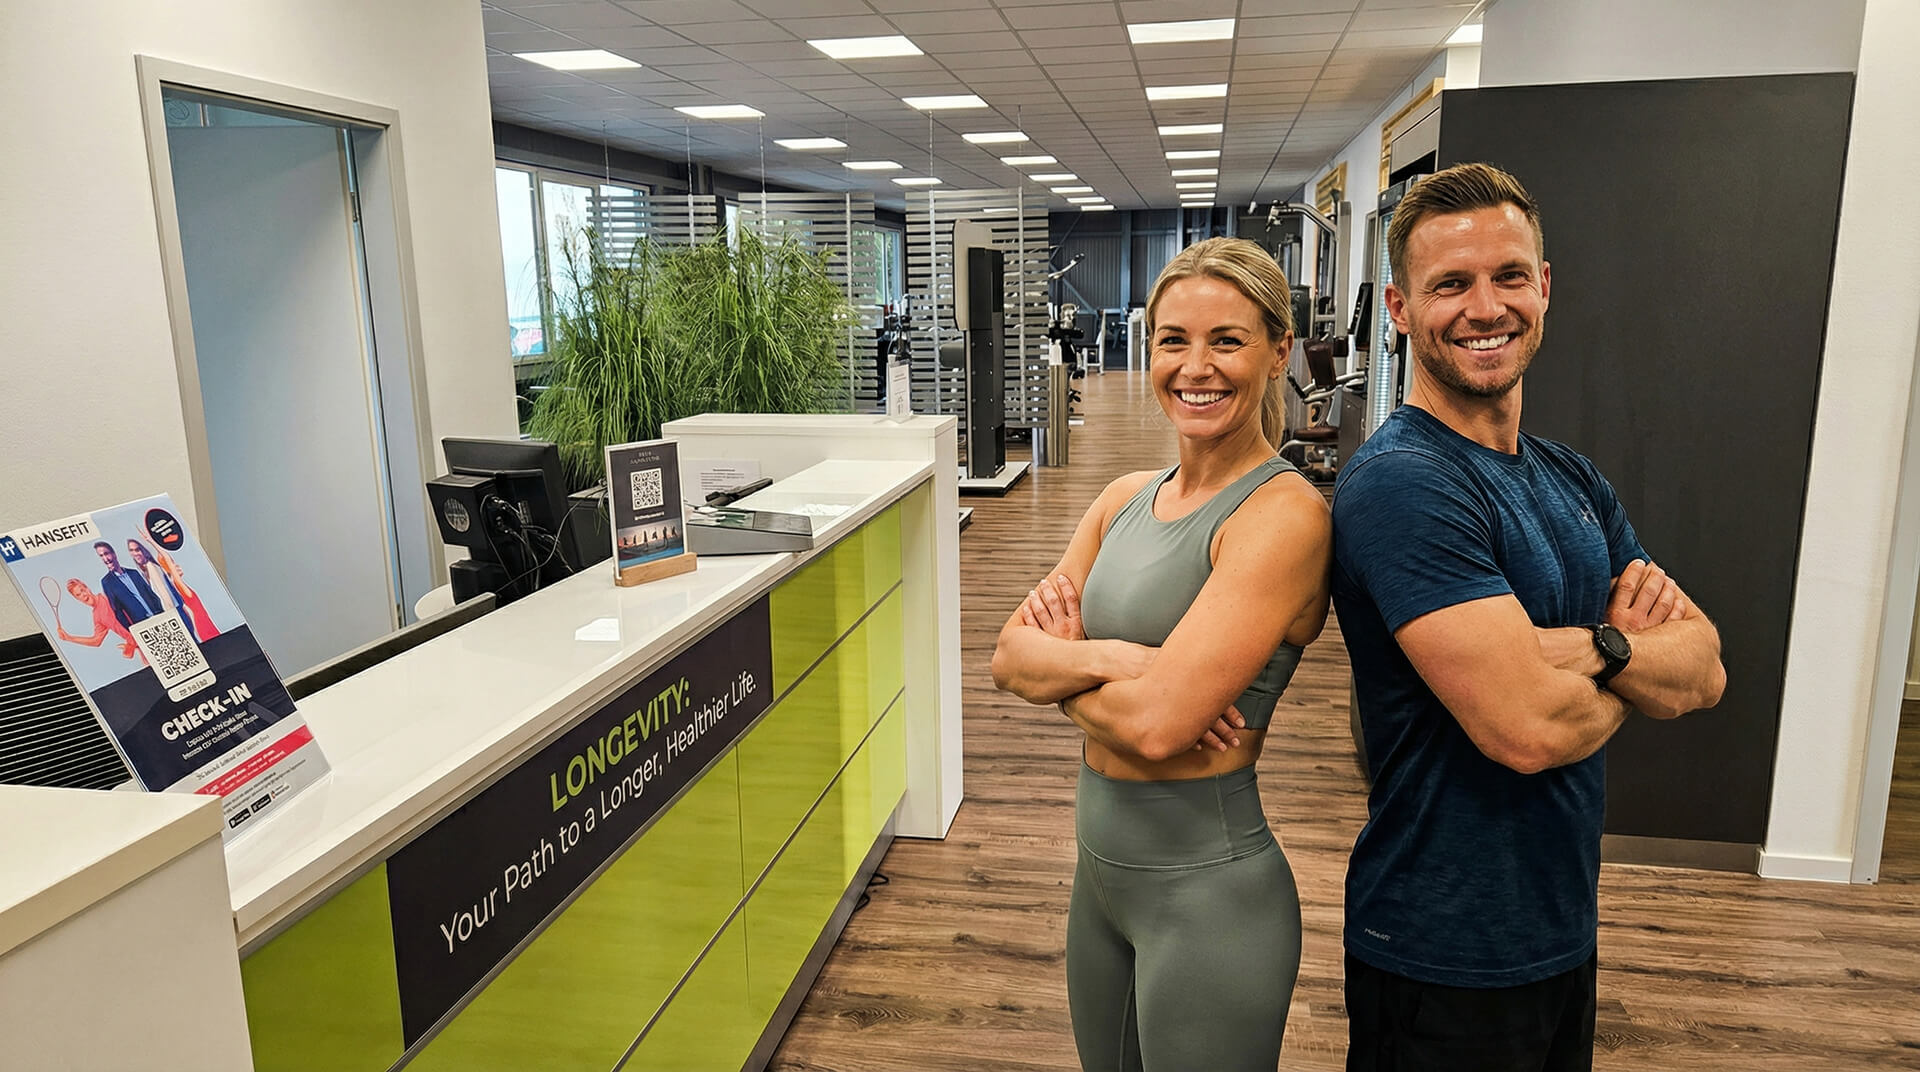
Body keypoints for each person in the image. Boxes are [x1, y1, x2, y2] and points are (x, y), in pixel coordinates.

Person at [1331, 162, 1727, 1071]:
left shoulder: (1570, 476)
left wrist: (1588, 648)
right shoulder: (1403, 483)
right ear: (1399, 309)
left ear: (1543, 287)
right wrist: (1627, 656)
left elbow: (1704, 670)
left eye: (1508, 276)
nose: (1486, 308)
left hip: (1559, 924)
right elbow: (1527, 731)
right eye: (1450, 285)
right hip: (1437, 950)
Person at [991, 236, 1333, 1071]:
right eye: (1174, 340)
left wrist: (1070, 666)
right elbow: (1007, 657)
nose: (1195, 367)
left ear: (1278, 351)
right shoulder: (1121, 501)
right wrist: (1127, 662)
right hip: (1098, 882)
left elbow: (1154, 729)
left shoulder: (1284, 516)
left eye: (1228, 340)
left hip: (1209, 895)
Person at [127, 538, 217, 641]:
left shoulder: (151, 566)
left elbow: (163, 592)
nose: (135, 553)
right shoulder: (147, 570)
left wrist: (170, 615)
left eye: (137, 550)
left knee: (192, 639)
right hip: (175, 612)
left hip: (175, 612)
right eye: (131, 550)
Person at [55, 579, 143, 662]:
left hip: (144, 631)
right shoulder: (97, 616)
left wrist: (131, 644)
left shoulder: (107, 596)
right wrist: (69, 638)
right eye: (78, 595)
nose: (83, 595)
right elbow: (96, 641)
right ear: (77, 599)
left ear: (87, 588)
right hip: (140, 647)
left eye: (83, 590)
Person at [94, 541, 166, 630]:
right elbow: (117, 611)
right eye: (101, 556)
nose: (105, 559)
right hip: (141, 625)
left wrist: (161, 613)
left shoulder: (134, 573)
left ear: (114, 554)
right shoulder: (107, 582)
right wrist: (131, 630)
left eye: (106, 554)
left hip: (158, 617)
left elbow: (151, 595)